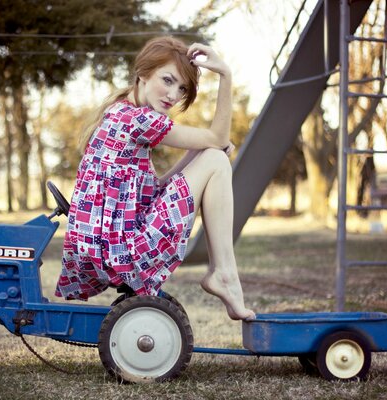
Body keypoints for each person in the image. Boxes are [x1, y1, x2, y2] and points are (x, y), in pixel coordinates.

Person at [55, 36, 255, 320]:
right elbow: (219, 137)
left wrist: (199, 153)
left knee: (211, 156)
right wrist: (225, 74)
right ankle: (223, 272)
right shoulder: (139, 120)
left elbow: (156, 189)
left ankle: (223, 272)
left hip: (109, 248)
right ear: (143, 74)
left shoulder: (121, 112)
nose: (173, 95)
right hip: (121, 252)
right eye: (168, 80)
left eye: (182, 88)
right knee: (216, 158)